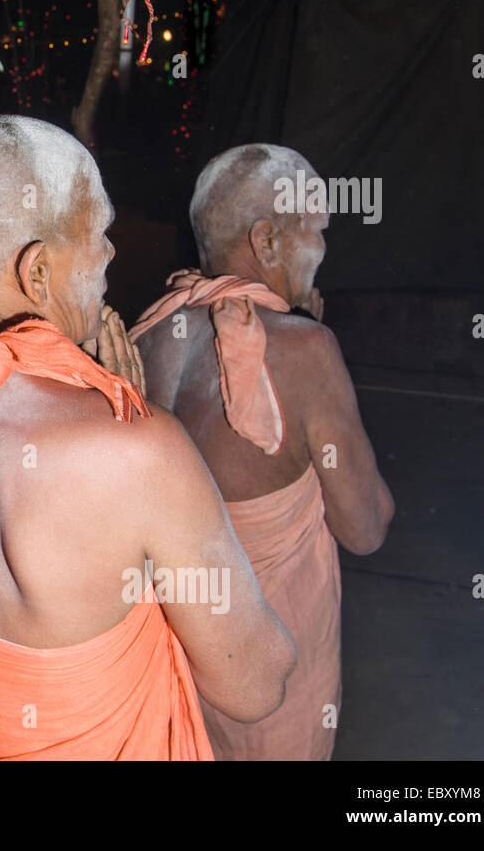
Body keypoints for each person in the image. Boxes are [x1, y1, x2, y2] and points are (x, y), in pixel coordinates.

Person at [0, 115, 297, 760]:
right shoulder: (137, 454)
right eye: (101, 231)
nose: (113, 252)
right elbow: (255, 685)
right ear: (37, 273)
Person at [130, 143, 394, 759]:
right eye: (318, 231)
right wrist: (310, 347)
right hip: (266, 677)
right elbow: (365, 529)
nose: (325, 250)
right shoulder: (304, 351)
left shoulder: (149, 333)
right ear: (268, 241)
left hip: (170, 658)